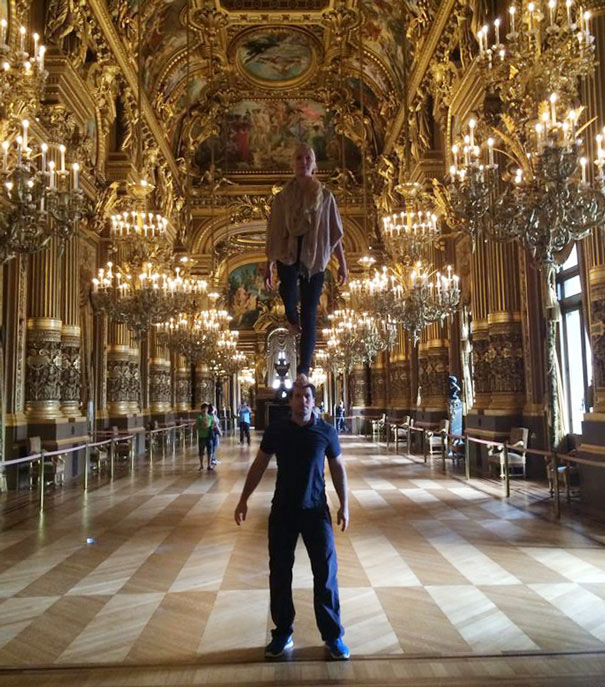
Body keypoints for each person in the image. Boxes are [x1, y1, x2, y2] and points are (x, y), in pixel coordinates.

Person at [234, 376, 350, 661]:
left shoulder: (326, 431)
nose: (303, 401)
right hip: (283, 510)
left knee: (325, 573)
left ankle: (333, 635)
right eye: (297, 396)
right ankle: (283, 631)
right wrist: (243, 498)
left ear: (314, 400)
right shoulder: (277, 430)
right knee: (280, 573)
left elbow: (338, 469)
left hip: (316, 510)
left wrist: (344, 505)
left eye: (307, 396)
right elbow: (259, 465)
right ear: (291, 401)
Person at [265, 143, 348, 375]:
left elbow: (334, 233)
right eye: (299, 158)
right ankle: (292, 318)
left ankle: (303, 369)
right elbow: (274, 231)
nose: (303, 162)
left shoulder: (326, 197)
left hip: (315, 259)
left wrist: (343, 264)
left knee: (310, 312)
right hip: (287, 255)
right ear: (293, 163)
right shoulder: (281, 198)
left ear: (314, 165)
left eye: (307, 158)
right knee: (289, 295)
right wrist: (269, 264)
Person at [196, 403, 214, 471]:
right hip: (202, 436)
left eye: (206, 408)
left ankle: (209, 465)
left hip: (209, 436)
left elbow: (213, 424)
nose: (204, 410)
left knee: (209, 451)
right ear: (201, 410)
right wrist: (202, 426)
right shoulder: (199, 418)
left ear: (207, 409)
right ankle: (201, 465)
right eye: (203, 408)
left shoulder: (210, 417)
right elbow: (197, 426)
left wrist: (211, 426)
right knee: (201, 451)